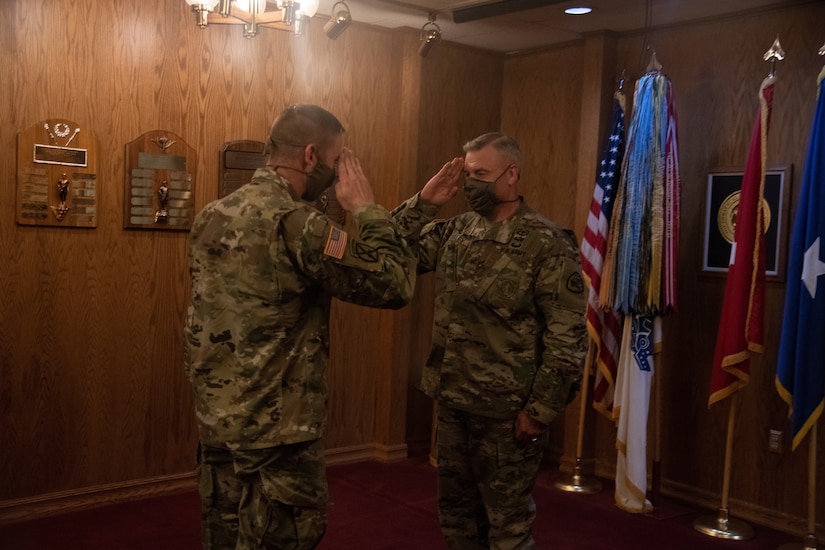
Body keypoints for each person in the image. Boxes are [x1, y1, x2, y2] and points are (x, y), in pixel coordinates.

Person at [183, 104, 419, 550]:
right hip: (279, 430)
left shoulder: (211, 215)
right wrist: (365, 208)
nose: (334, 176)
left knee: (224, 536)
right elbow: (393, 283)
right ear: (311, 156)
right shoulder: (300, 223)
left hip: (219, 419)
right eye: (335, 164)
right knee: (282, 538)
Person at [393, 132, 588, 549]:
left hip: (508, 415)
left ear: (512, 174)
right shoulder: (456, 231)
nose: (470, 184)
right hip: (453, 403)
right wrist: (425, 202)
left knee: (507, 529)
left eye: (481, 174)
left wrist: (540, 410)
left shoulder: (547, 243)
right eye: (467, 175)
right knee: (456, 519)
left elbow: (567, 338)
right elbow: (386, 250)